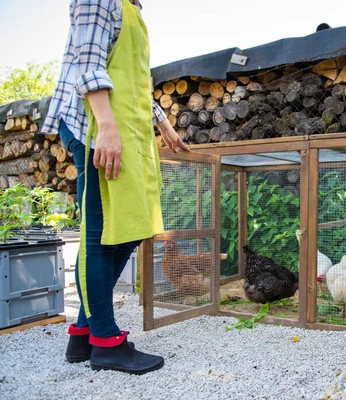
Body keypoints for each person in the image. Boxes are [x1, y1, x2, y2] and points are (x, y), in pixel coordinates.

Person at [41, 0, 190, 375]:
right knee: (100, 233)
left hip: (126, 124)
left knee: (128, 228)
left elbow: (134, 79)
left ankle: (83, 332)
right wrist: (105, 126)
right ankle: (106, 343)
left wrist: (163, 125)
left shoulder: (132, 8)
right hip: (96, 125)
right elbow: (88, 64)